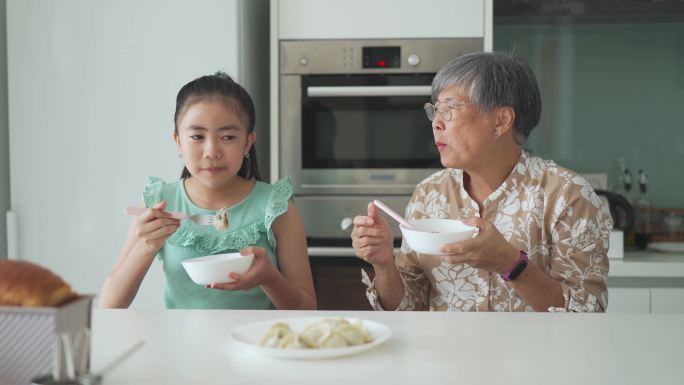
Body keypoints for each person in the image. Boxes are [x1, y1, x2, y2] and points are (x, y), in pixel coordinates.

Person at [351, 52, 611, 312]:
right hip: (445, 352)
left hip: (534, 353)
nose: (436, 124)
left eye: (450, 109)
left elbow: (587, 314)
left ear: (501, 121)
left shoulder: (567, 195)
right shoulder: (429, 193)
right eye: (435, 110)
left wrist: (511, 264)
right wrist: (384, 265)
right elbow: (411, 307)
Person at [100, 73, 316, 310]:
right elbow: (110, 305)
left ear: (247, 143)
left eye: (227, 137)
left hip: (257, 343)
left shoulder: (276, 207)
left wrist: (269, 278)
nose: (212, 151)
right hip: (179, 345)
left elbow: (307, 309)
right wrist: (145, 245)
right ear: (178, 142)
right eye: (197, 136)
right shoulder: (160, 202)